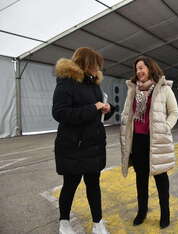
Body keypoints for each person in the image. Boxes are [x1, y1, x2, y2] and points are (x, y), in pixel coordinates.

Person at [52, 47, 114, 234]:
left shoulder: (94, 84)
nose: (98, 70)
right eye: (95, 65)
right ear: (85, 64)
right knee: (70, 185)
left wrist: (106, 109)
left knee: (93, 185)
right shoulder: (66, 82)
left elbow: (96, 112)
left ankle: (98, 223)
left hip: (93, 145)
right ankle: (64, 223)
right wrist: (92, 108)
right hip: (73, 146)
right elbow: (59, 113)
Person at [120, 56, 178, 229]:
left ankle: (165, 213)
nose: (139, 72)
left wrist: (166, 127)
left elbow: (174, 112)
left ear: (150, 68)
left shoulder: (163, 89)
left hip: (156, 140)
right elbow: (127, 115)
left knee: (161, 178)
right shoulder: (133, 91)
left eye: (141, 68)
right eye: (137, 69)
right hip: (138, 141)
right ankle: (142, 211)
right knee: (141, 178)